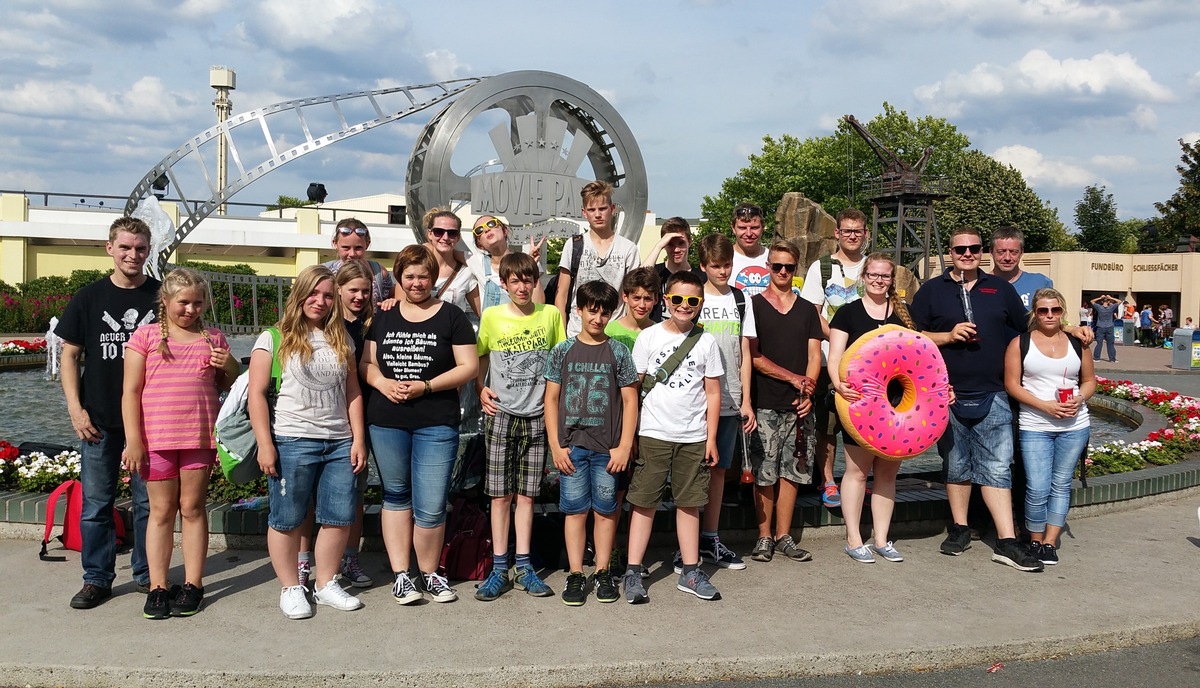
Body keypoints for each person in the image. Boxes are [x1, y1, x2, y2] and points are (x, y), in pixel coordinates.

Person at [909, 226, 1044, 572]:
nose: (967, 254)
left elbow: (1026, 329)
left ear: (981, 251)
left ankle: (1006, 540)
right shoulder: (931, 291)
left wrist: (1068, 331)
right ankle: (960, 528)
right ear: (950, 253)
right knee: (955, 465)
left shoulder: (998, 288)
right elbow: (913, 337)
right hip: (947, 392)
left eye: (973, 249)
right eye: (959, 249)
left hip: (994, 391)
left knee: (998, 467)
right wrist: (949, 335)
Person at [249, 265, 368, 619]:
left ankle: (326, 583)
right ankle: (290, 587)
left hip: (337, 440)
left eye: (328, 295)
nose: (320, 301)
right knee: (286, 517)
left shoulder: (340, 338)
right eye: (313, 294)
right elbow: (256, 394)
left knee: (338, 516)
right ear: (299, 295)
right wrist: (265, 443)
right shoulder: (273, 337)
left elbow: (352, 391)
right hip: (292, 438)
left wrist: (358, 438)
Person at [362, 245, 478, 606]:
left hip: (435, 421)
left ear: (433, 278)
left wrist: (425, 386)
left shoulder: (452, 316)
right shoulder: (383, 316)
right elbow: (366, 364)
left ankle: (429, 573)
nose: (416, 283)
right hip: (387, 420)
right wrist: (383, 384)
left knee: (430, 504)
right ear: (399, 277)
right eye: (409, 276)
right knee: (396, 496)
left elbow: (468, 367)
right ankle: (401, 575)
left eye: (423, 276)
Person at [121, 267, 239, 619]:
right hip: (156, 439)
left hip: (198, 438)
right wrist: (133, 439)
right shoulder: (145, 337)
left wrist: (229, 364)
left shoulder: (213, 339)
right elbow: (130, 392)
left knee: (192, 509)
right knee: (159, 513)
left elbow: (231, 385)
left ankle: (193, 584)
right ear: (166, 300)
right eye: (183, 303)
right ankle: (158, 586)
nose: (191, 310)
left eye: (198, 303)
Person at [57, 216, 158, 609]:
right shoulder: (88, 298)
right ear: (110, 248)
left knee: (149, 505)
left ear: (148, 251)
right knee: (96, 504)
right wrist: (75, 409)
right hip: (98, 420)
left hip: (150, 421)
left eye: (140, 248)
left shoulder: (161, 296)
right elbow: (69, 356)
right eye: (126, 247)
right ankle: (97, 579)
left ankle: (150, 575)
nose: (133, 254)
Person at [624, 271, 724, 603]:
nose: (684, 306)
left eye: (692, 301)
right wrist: (631, 434)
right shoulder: (648, 338)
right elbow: (633, 391)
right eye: (677, 299)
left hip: (693, 435)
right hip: (654, 431)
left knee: (690, 503)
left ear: (700, 304)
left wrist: (711, 438)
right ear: (666, 300)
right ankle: (634, 569)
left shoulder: (707, 341)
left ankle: (691, 570)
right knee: (644, 502)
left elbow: (712, 393)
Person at [473, 253, 566, 602]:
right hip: (501, 415)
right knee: (500, 496)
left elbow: (560, 360)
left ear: (535, 281)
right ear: (504, 284)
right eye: (515, 281)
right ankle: (500, 568)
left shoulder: (550, 315)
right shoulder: (493, 316)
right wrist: (480, 386)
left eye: (528, 280)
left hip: (538, 415)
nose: (522, 287)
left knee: (527, 496)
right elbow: (480, 355)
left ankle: (524, 566)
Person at [544, 280, 639, 606]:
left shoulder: (618, 351)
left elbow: (630, 401)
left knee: (606, 510)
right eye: (592, 311)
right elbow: (551, 399)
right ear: (580, 310)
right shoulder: (563, 350)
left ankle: (601, 571)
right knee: (574, 511)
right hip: (572, 447)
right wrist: (556, 446)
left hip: (607, 449)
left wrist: (625, 445)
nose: (598, 318)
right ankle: (575, 573)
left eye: (604, 312)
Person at [827, 254, 915, 564]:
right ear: (863, 277)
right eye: (874, 275)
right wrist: (839, 385)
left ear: (893, 280)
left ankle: (881, 539)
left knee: (888, 475)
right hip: (860, 405)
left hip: (898, 405)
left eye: (885, 276)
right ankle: (853, 538)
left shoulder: (906, 315)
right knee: (857, 473)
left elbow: (920, 359)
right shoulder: (847, 314)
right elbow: (834, 356)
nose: (879, 280)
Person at [1005, 288, 1095, 565]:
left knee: (1061, 484)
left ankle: (1050, 541)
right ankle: (1034, 538)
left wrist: (1079, 398)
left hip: (1074, 425)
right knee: (1037, 486)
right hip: (1035, 424)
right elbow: (1012, 384)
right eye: (1043, 310)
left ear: (1062, 312)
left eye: (1055, 310)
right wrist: (1044, 406)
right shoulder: (1020, 343)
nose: (1049, 315)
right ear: (1035, 312)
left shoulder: (1078, 343)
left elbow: (1090, 380)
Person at [685, 233, 756, 572]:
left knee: (718, 471)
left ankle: (710, 537)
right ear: (703, 266)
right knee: (690, 470)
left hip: (729, 399)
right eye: (716, 266)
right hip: (694, 399)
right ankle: (688, 543)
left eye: (727, 265)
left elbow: (744, 351)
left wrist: (747, 400)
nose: (723, 271)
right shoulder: (693, 299)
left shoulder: (741, 300)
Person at [747, 239, 821, 563]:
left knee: (793, 471)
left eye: (788, 267)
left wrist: (808, 389)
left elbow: (814, 354)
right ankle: (763, 537)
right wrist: (793, 379)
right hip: (765, 401)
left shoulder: (807, 310)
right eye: (776, 266)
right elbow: (753, 357)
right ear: (768, 267)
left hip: (799, 405)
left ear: (796, 269)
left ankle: (784, 536)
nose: (782, 272)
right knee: (765, 472)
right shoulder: (754, 305)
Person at [800, 208, 870, 509]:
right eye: (847, 230)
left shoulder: (874, 266)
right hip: (832, 359)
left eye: (858, 230)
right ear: (837, 234)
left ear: (866, 234)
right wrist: (841, 341)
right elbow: (813, 313)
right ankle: (828, 480)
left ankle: (859, 478)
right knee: (828, 425)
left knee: (866, 423)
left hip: (869, 364)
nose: (852, 235)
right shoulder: (822, 268)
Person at [334, 260, 377, 588]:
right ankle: (313, 560)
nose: (359, 296)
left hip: (366, 414)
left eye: (365, 291)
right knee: (323, 495)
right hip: (330, 417)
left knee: (355, 492)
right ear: (338, 290)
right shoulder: (326, 324)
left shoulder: (374, 324)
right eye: (353, 290)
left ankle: (349, 556)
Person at [554, 181, 641, 337]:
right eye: (592, 210)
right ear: (584, 212)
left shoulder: (628, 249)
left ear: (612, 209)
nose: (598, 214)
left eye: (602, 209)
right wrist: (561, 334)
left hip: (614, 332)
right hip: (577, 332)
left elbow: (632, 296)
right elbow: (562, 293)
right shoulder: (574, 245)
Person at [467, 215, 547, 310]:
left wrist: (532, 266)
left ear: (505, 231)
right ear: (479, 244)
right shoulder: (476, 261)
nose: (486, 229)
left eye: (491, 224)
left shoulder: (526, 260)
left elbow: (539, 304)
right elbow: (449, 252)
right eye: (479, 230)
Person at [422, 208, 481, 322]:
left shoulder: (466, 273)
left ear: (458, 237)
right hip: (421, 337)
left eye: (452, 233)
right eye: (438, 231)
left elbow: (482, 313)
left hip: (453, 337)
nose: (445, 237)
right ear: (430, 234)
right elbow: (401, 306)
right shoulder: (414, 268)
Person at [642, 216, 704, 322]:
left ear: (689, 241)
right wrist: (658, 247)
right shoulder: (656, 272)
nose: (676, 249)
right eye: (670, 244)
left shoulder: (700, 277)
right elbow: (638, 280)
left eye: (681, 243)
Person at [322, 217, 394, 305]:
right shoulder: (325, 272)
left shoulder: (379, 273)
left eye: (358, 248)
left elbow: (393, 303)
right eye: (346, 247)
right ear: (335, 243)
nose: (352, 253)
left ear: (367, 245)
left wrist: (391, 302)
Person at [989, 226, 1052, 310]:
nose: (1007, 258)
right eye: (1001, 252)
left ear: (1021, 252)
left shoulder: (1040, 283)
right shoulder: (979, 285)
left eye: (1013, 252)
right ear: (991, 252)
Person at [605, 267, 661, 352]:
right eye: (636, 298)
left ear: (656, 299)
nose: (642, 305)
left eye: (647, 299)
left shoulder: (659, 333)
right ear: (625, 297)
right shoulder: (609, 331)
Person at [729, 202, 771, 297]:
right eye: (742, 228)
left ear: (763, 227)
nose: (748, 233)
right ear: (733, 228)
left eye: (754, 228)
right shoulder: (722, 259)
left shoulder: (773, 258)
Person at [1090, 294, 1121, 363]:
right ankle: (1112, 359)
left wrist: (1100, 297)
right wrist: (1111, 297)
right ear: (1109, 302)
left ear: (1102, 302)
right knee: (1110, 344)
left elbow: (1092, 301)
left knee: (1099, 343)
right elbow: (1119, 301)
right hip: (1109, 326)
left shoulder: (1099, 307)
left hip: (1100, 327)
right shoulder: (1111, 307)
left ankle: (1096, 358)